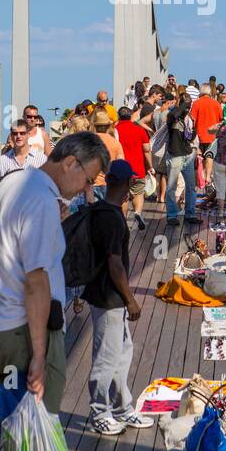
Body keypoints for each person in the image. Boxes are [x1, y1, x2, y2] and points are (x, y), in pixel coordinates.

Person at [0, 130, 109, 451]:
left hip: (3, 326)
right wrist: (39, 356)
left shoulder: (13, 184)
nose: (87, 189)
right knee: (30, 440)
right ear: (72, 162)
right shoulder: (39, 199)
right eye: (89, 177)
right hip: (28, 331)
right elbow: (37, 280)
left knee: (23, 435)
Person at [83, 160, 155, 436]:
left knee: (122, 353)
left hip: (108, 296)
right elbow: (115, 263)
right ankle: (99, 412)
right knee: (106, 357)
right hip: (109, 297)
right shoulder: (111, 218)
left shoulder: (102, 211)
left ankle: (123, 408)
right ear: (125, 184)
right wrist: (130, 299)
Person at [114, 105, 152, 230]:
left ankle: (123, 220)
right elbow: (147, 150)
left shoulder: (114, 130)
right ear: (131, 116)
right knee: (138, 193)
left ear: (119, 117)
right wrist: (150, 166)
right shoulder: (139, 130)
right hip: (138, 168)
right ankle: (137, 213)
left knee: (124, 195)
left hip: (121, 169)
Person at [164, 96, 199, 226]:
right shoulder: (171, 116)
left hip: (187, 154)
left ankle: (190, 213)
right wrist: (184, 104)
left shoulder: (188, 119)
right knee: (171, 187)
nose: (188, 107)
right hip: (174, 155)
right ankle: (172, 215)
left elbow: (190, 137)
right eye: (186, 105)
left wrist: (193, 127)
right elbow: (174, 115)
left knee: (191, 186)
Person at [190, 83, 223, 184]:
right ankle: (207, 177)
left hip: (198, 136)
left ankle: (200, 178)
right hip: (212, 136)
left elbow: (192, 121)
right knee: (210, 156)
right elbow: (221, 120)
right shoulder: (216, 104)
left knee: (199, 159)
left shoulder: (196, 103)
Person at [91, 111, 122, 200]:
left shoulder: (89, 141)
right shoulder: (115, 143)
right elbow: (120, 164)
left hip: (91, 183)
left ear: (95, 126)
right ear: (108, 126)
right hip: (109, 183)